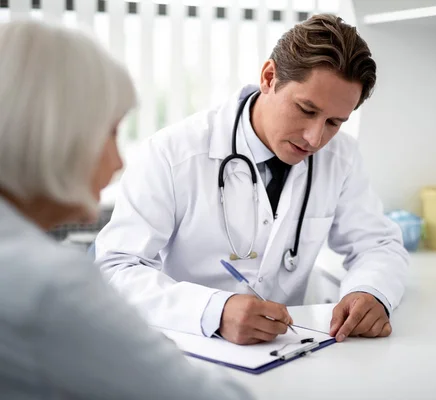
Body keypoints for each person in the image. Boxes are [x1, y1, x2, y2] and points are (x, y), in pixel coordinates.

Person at [95, 14, 409, 346]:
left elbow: (378, 245)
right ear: (269, 77)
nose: (315, 138)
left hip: (285, 354)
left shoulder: (341, 158)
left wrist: (370, 291)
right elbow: (115, 268)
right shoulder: (173, 153)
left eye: (334, 122)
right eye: (306, 110)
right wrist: (213, 311)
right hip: (187, 349)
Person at [0, 20, 251, 400]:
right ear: (54, 132)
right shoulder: (49, 285)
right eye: (111, 131)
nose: (118, 162)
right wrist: (148, 353)